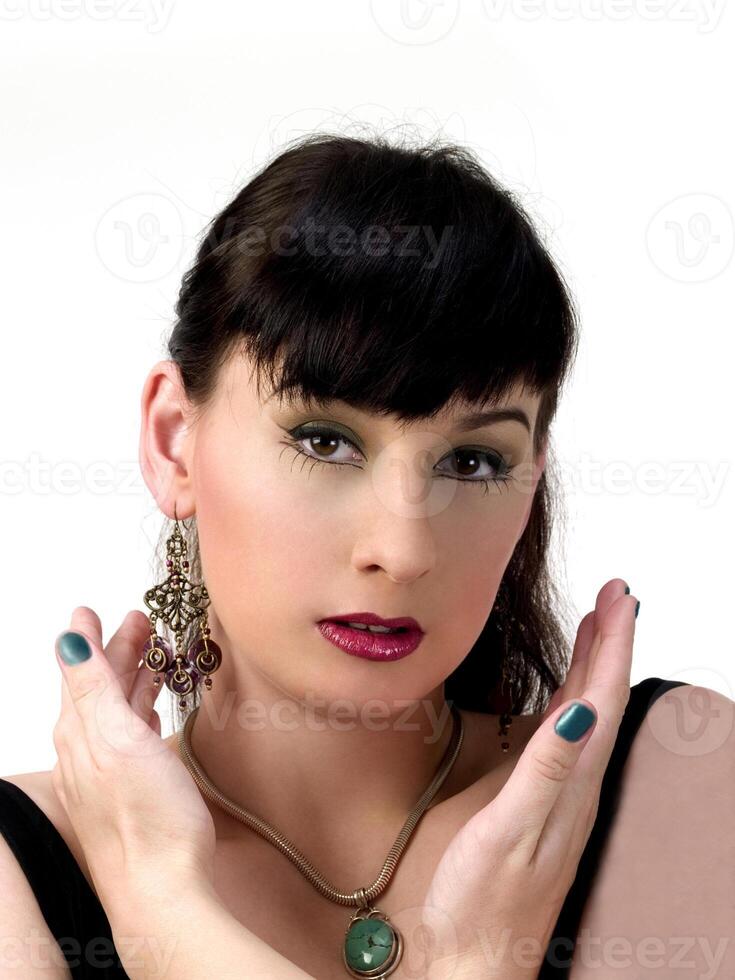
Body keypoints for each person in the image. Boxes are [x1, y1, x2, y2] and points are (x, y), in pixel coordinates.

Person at [0, 132, 732, 980]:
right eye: (324, 440)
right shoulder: (23, 880)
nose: (403, 549)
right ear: (173, 442)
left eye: (472, 461)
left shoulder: (675, 778)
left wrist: (167, 915)